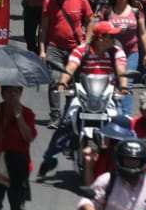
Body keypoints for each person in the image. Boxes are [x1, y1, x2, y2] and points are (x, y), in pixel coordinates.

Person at [38, 21, 128, 182]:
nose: (114, 39)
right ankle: (50, 159)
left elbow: (121, 70)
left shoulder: (116, 52)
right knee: (65, 123)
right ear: (100, 38)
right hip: (82, 95)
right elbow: (71, 67)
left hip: (108, 96)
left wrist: (123, 86)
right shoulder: (81, 50)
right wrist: (62, 82)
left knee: (121, 124)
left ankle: (125, 164)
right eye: (110, 36)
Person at [37, 0, 92, 128]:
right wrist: (42, 50)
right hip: (54, 47)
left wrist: (87, 43)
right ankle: (55, 115)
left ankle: (71, 113)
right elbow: (44, 28)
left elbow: (90, 21)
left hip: (75, 47)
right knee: (54, 80)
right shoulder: (49, 1)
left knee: (75, 83)